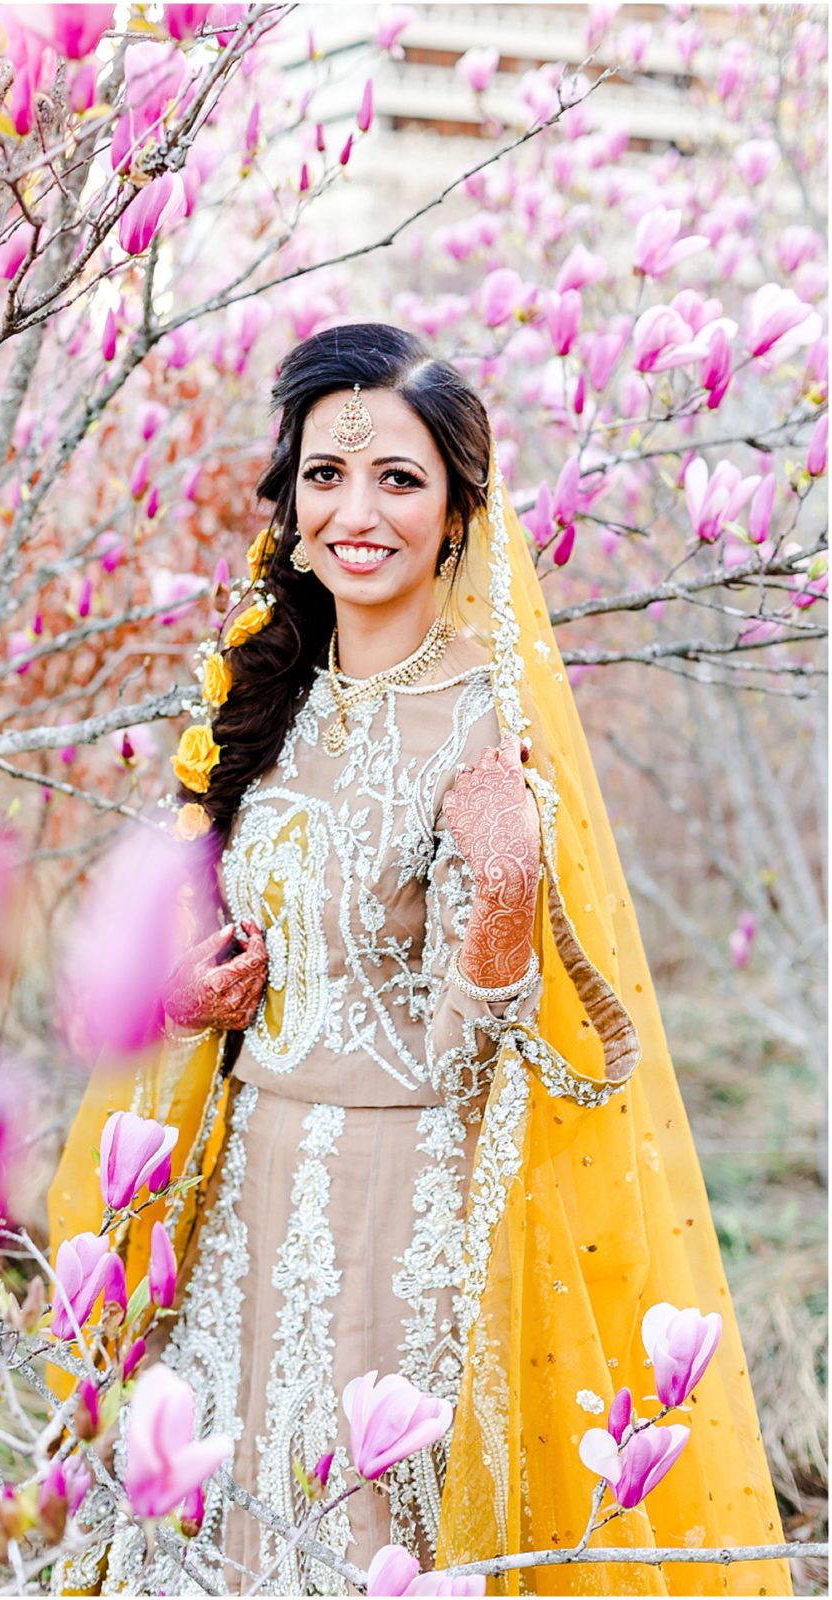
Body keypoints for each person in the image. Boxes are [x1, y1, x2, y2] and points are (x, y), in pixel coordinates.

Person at [48, 323, 790, 1597]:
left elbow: (464, 1049)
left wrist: (506, 883)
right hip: (244, 1184)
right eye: (324, 476)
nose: (355, 512)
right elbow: (205, 935)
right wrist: (187, 995)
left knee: (361, 1531)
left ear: (456, 512)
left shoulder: (485, 725)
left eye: (397, 477)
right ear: (288, 500)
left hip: (405, 1197)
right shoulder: (259, 691)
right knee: (219, 1520)